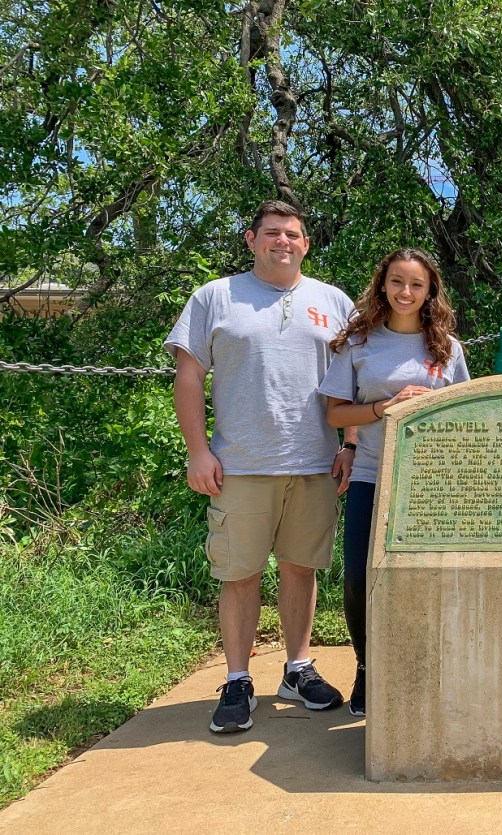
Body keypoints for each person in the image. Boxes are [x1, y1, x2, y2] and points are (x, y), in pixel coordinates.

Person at [166, 199, 356, 733]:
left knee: (301, 568)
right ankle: (237, 680)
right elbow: (188, 377)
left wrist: (350, 445)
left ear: (306, 244)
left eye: (292, 234)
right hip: (240, 464)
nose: (283, 241)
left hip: (315, 463)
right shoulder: (215, 297)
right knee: (240, 573)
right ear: (251, 240)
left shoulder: (333, 301)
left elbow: (353, 379)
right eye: (272, 232)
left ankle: (298, 669)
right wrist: (198, 451)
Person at [318, 247, 470, 717]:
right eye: (397, 282)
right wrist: (384, 407)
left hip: (430, 484)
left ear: (430, 291)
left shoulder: (448, 348)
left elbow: (465, 413)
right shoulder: (358, 343)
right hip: (372, 473)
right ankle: (367, 668)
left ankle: (427, 671)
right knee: (360, 578)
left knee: (428, 580)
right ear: (382, 285)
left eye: (417, 284)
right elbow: (335, 414)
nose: (406, 292)